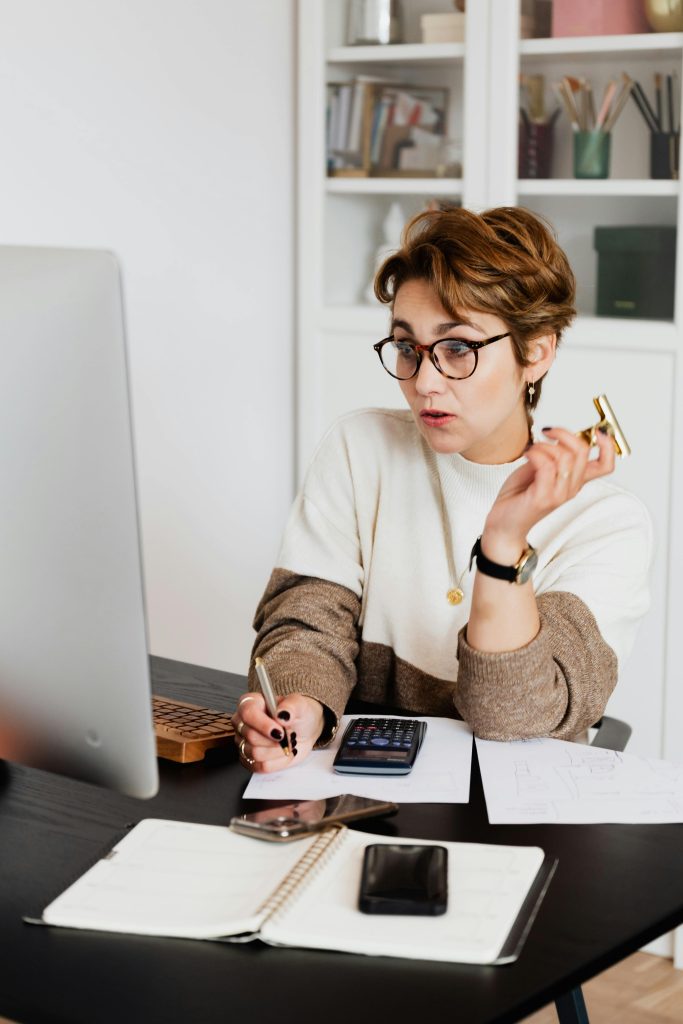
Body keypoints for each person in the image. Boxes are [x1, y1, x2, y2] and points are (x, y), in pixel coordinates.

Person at [232, 206, 652, 773]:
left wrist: (504, 543)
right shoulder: (361, 447)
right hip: (360, 788)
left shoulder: (608, 523)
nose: (424, 382)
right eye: (408, 348)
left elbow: (510, 715)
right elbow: (308, 619)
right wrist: (302, 704)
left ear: (537, 352)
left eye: (458, 348)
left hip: (515, 815)